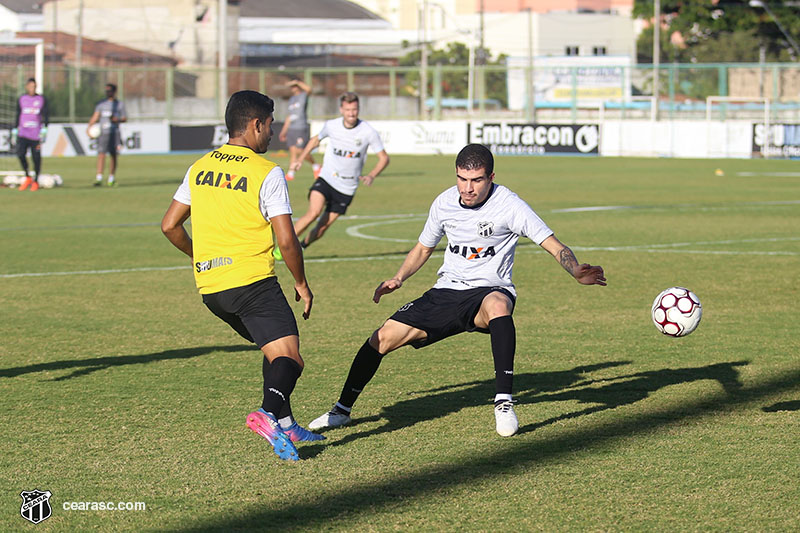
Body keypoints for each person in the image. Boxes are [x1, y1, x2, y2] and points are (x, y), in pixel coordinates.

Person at [308, 144, 607, 437]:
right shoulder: (444, 203)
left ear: (490, 177)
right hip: (447, 292)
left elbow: (553, 245)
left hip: (489, 290)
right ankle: (341, 410)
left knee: (498, 306)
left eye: (476, 180)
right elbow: (424, 248)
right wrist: (398, 278)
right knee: (381, 338)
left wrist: (575, 270)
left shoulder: (510, 204)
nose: (468, 188)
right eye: (462, 179)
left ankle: (503, 402)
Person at [161, 90, 322, 462]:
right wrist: (301, 283)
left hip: (212, 289)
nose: (271, 132)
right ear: (255, 124)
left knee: (273, 347)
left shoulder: (199, 167)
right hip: (252, 282)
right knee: (291, 358)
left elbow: (170, 225)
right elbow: (287, 238)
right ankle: (268, 413)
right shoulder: (266, 171)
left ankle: (285, 422)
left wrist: (196, 256)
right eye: (270, 125)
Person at [289, 91, 390, 249]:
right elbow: (315, 140)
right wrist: (300, 159)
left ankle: (301, 246)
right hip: (327, 179)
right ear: (341, 110)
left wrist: (372, 175)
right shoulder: (332, 125)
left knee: (322, 227)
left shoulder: (368, 132)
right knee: (313, 213)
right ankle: (285, 245)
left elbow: (384, 158)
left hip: (347, 188)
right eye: (348, 110)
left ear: (359, 109)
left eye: (354, 109)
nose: (351, 113)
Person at [278, 78, 320, 181]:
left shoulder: (303, 96)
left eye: (295, 86)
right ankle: (291, 173)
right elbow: (290, 116)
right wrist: (284, 131)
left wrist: (297, 82)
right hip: (292, 128)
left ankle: (316, 166)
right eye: (292, 86)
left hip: (301, 127)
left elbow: (309, 90)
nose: (293, 88)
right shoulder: (292, 99)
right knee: (293, 151)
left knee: (301, 151)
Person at [87, 83, 127, 187]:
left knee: (113, 155)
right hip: (103, 133)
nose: (108, 92)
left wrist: (116, 119)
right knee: (101, 154)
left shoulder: (119, 104)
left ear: (114, 92)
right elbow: (95, 116)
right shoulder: (101, 104)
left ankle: (111, 178)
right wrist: (89, 128)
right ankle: (99, 177)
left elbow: (124, 118)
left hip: (114, 133)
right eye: (106, 91)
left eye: (109, 90)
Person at [13, 78, 49, 192]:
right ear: (26, 87)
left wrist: (45, 129)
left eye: (34, 86)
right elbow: (18, 114)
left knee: (36, 158)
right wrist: (15, 130)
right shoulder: (22, 99)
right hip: (23, 133)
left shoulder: (41, 99)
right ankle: (27, 176)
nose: (32, 89)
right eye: (30, 86)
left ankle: (36, 181)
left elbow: (46, 115)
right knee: (20, 154)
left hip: (35, 134)